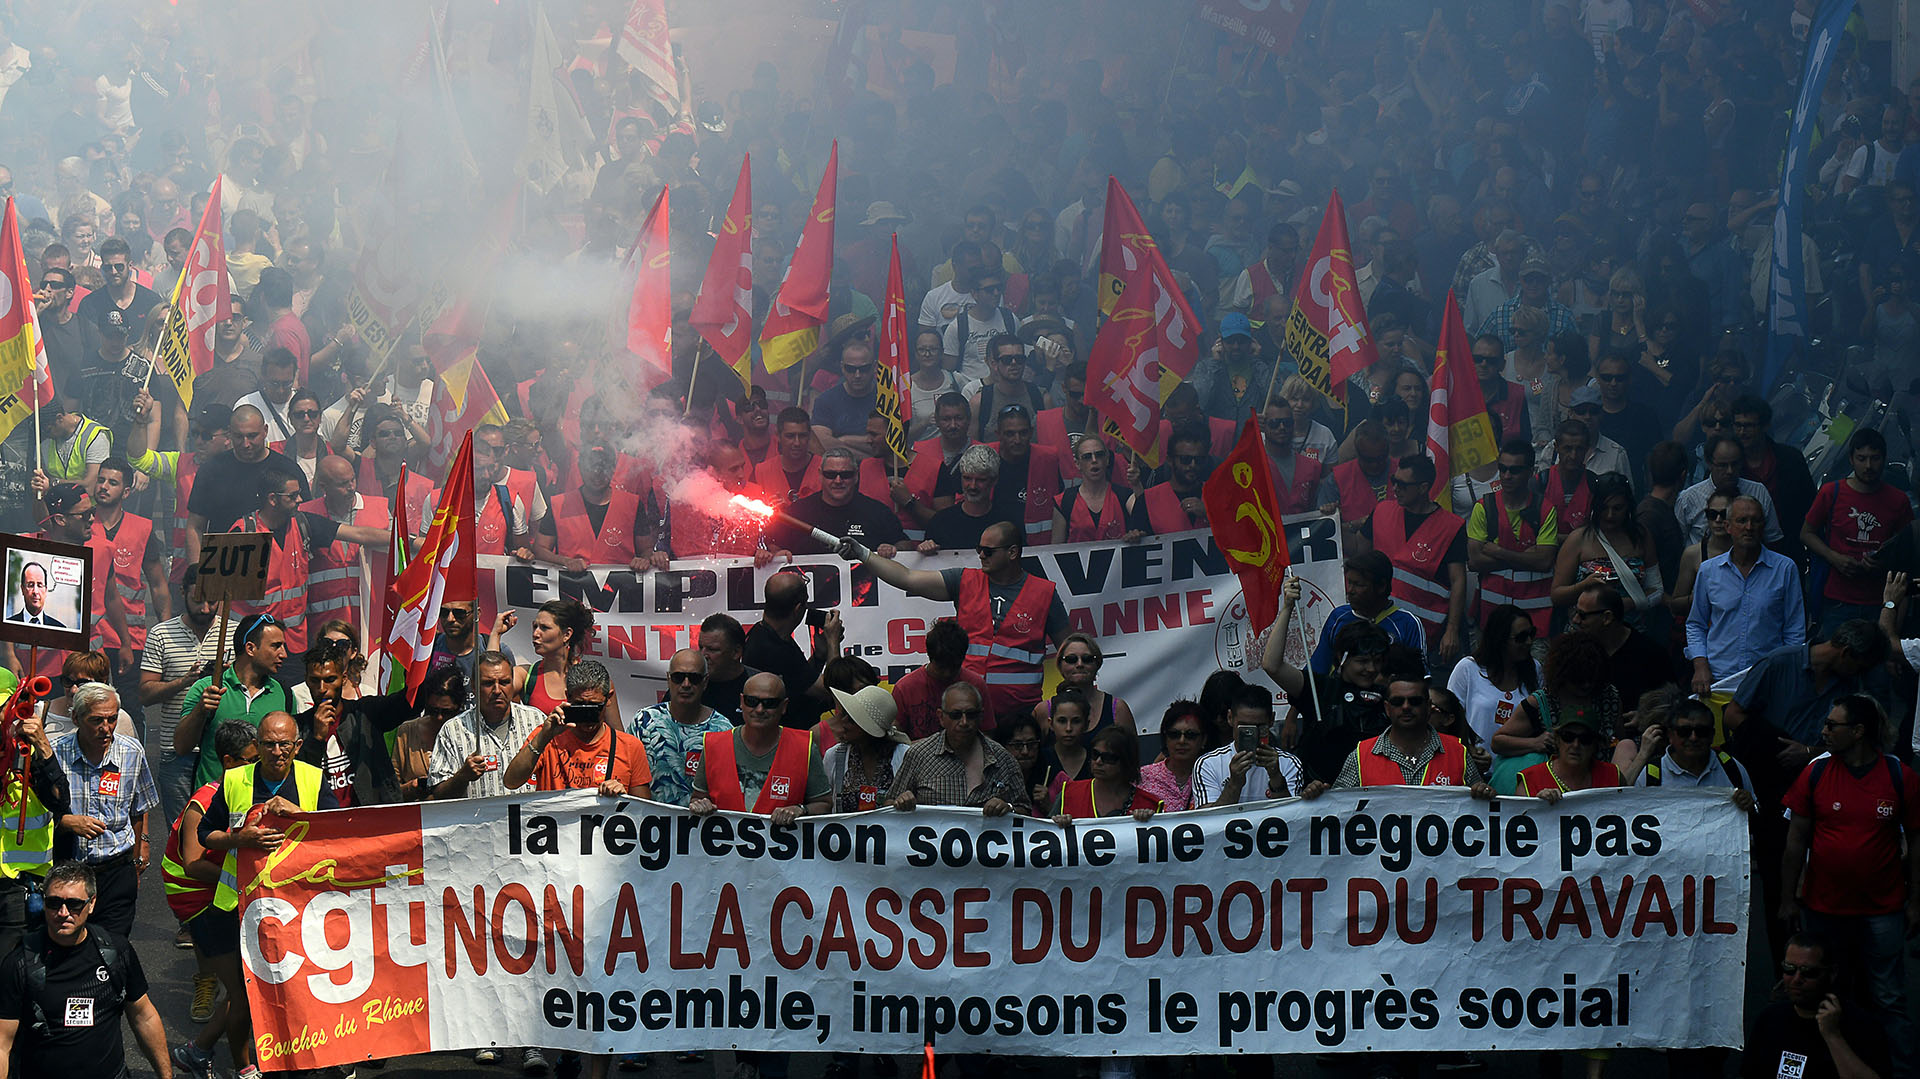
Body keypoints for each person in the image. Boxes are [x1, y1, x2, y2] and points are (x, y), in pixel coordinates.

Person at [1779, 695, 1920, 1079]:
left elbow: (1918, 842)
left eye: (1832, 725)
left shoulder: (1899, 776)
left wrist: (1916, 902)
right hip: (1823, 907)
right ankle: (1823, 1068)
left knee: (1889, 997)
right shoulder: (1817, 772)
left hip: (1883, 908)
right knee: (1819, 993)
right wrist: (1787, 899)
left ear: (1858, 732)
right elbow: (1796, 841)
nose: (1823, 731)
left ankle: (1901, 1072)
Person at [198, 711, 334, 1079]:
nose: (277, 752)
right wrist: (237, 840)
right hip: (235, 908)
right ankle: (244, 1067)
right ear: (257, 746)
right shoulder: (234, 780)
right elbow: (204, 836)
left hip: (294, 910)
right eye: (269, 744)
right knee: (242, 999)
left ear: (297, 746)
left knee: (294, 992)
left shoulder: (313, 779)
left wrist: (300, 813)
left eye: (284, 745)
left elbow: (336, 835)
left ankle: (297, 1062)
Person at [841, 519, 1069, 719]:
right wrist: (863, 554)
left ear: (1012, 553)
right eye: (979, 548)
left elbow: (1069, 651)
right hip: (966, 713)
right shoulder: (964, 581)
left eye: (988, 551)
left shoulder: (1044, 593)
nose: (981, 555)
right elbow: (906, 578)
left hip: (1020, 716)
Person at [0, 861, 173, 1079]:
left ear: (91, 904)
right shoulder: (20, 963)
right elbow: (2, 1043)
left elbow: (143, 1016)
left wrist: (166, 1076)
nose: (63, 913)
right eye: (54, 903)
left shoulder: (116, 952)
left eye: (74, 904)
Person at [164, 721, 257, 1072]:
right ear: (230, 762)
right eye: (251, 759)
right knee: (244, 991)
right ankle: (205, 1053)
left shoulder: (243, 790)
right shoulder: (203, 802)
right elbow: (192, 864)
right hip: (198, 900)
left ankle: (203, 1051)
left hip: (223, 895)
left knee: (246, 988)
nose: (258, 765)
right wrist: (241, 881)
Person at [50, 681, 156, 940]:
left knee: (113, 947)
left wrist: (139, 854)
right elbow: (38, 815)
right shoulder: (56, 754)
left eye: (112, 719)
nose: (106, 728)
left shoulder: (131, 752)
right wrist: (65, 822)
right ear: (76, 717)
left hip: (116, 872)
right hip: (69, 872)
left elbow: (139, 809)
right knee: (69, 944)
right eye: (96, 720)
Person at [1687, 495, 1806, 694]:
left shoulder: (1785, 569)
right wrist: (1700, 666)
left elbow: (1794, 630)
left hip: (1767, 679)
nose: (1749, 527)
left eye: (1755, 520)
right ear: (1728, 526)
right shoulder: (1709, 571)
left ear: (1764, 526)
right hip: (1718, 680)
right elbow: (1696, 624)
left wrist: (1786, 674)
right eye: (1742, 520)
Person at [1359, 454, 1468, 664]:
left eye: (1402, 484)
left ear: (1423, 487)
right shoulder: (1382, 511)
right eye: (1394, 481)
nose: (1395, 488)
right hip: (1377, 626)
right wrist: (1332, 521)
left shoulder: (1450, 527)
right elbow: (1358, 551)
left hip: (1424, 634)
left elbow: (1458, 581)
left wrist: (1452, 630)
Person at [1802, 429, 1911, 635]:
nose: (1868, 466)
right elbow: (1806, 533)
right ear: (1851, 459)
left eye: (1874, 458)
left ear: (1884, 459)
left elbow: (1908, 552)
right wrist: (1835, 558)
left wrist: (1884, 563)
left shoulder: (1898, 501)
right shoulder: (1831, 492)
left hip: (1880, 602)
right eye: (1862, 458)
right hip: (1837, 601)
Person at [1741, 933, 1893, 1079]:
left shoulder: (1862, 1026)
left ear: (1832, 973)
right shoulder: (1770, 1019)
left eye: (1809, 972)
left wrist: (1832, 1035)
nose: (1796, 979)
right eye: (1789, 969)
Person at [1324, 666, 1494, 794]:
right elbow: (1337, 809)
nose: (1406, 707)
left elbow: (1480, 809)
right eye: (1398, 702)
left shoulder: (1458, 753)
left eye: (1415, 701)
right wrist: (1317, 795)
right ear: (1387, 708)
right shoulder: (1362, 756)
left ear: (1428, 707)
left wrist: (1484, 793)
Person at [174, 614, 296, 788]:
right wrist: (200, 710)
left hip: (264, 804)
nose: (284, 654)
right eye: (276, 646)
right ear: (250, 648)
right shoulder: (207, 688)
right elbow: (181, 747)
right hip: (213, 804)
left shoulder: (284, 694)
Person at [504, 661, 652, 803]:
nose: (588, 716)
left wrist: (624, 797)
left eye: (594, 707)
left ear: (609, 699)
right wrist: (543, 736)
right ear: (568, 697)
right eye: (580, 706)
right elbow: (511, 782)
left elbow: (645, 812)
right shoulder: (548, 737)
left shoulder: (629, 746)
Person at [1492, 633, 1621, 796]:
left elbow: (1619, 739)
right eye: (1579, 680)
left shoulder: (1610, 697)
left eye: (1592, 679)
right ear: (1563, 675)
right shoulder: (1540, 702)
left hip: (1599, 784)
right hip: (1551, 790)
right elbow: (1498, 742)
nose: (1587, 685)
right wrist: (1535, 743)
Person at [886, 682, 1030, 815]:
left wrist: (1008, 808)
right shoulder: (919, 755)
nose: (964, 722)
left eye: (971, 715)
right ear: (941, 717)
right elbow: (888, 805)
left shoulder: (1004, 759)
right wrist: (901, 802)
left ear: (981, 716)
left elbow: (1026, 811)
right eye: (956, 715)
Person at [1467, 437, 1558, 636]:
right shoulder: (1484, 507)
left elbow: (1544, 562)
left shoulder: (1545, 509)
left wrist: (1499, 552)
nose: (1507, 476)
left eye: (1515, 470)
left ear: (1530, 472)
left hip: (1535, 620)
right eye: (1503, 468)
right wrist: (1526, 558)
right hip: (1491, 619)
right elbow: (1475, 561)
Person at [1550, 473, 1666, 625]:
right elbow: (1557, 595)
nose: (1610, 515)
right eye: (1604, 508)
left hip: (1631, 632)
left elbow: (1656, 589)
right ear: (1594, 506)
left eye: (1618, 508)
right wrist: (1584, 586)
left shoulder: (1641, 537)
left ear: (1628, 507)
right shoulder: (1578, 539)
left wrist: (1630, 603)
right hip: (1585, 635)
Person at [428, 652, 544, 802]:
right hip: (478, 824)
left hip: (530, 823)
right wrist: (462, 777)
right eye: (488, 683)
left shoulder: (537, 720)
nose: (497, 690)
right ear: (474, 687)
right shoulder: (452, 730)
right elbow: (438, 795)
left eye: (504, 682)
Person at [630, 649, 733, 808]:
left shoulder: (723, 730)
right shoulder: (644, 721)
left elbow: (729, 789)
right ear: (668, 679)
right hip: (648, 825)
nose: (686, 684)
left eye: (694, 678)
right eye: (678, 677)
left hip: (701, 826)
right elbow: (626, 773)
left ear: (705, 682)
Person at [1570, 583, 1681, 727]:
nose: (1575, 620)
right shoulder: (1575, 651)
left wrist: (1648, 716)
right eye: (1575, 612)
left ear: (1607, 618)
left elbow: (1672, 702)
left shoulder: (1650, 654)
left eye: (1583, 615)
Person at [743, 572, 844, 721]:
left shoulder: (765, 634)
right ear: (798, 609)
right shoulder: (774, 649)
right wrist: (832, 641)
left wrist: (820, 656)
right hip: (792, 735)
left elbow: (801, 679)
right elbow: (834, 689)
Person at [1309, 551, 1426, 674]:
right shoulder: (1338, 617)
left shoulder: (1408, 623)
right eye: (1349, 583)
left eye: (1359, 585)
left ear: (1381, 586)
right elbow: (1316, 671)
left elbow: (1419, 677)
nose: (1350, 591)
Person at [1193, 684, 1310, 807]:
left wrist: (1276, 776)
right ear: (1230, 718)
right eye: (1244, 727)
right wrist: (1234, 784)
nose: (1252, 734)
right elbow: (1208, 820)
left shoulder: (1289, 763)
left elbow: (1293, 816)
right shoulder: (1208, 764)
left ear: (1271, 720)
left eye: (1259, 727)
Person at [780, 448, 908, 556]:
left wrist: (894, 549)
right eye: (830, 474)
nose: (838, 481)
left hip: (865, 584)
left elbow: (905, 544)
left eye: (845, 474)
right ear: (820, 474)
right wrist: (777, 554)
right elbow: (775, 544)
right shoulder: (798, 511)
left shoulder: (878, 512)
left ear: (856, 475)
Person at [1446, 604, 1541, 747]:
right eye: (1521, 637)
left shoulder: (1535, 670)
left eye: (1531, 634)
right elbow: (1449, 719)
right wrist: (1469, 751)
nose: (1529, 642)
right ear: (1500, 639)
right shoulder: (1467, 668)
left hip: (1519, 764)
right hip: (1474, 763)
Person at [891, 619, 995, 739]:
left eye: (954, 667)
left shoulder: (976, 685)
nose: (947, 673)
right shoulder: (905, 688)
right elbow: (896, 740)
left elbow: (987, 735)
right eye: (941, 667)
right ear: (930, 657)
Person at [515, 598, 615, 723]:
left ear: (567, 634)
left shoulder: (597, 680)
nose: (535, 633)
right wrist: (496, 635)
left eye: (544, 628)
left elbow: (618, 735)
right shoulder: (525, 675)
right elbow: (488, 686)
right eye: (535, 626)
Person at [1676, 435, 1784, 544]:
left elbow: (1773, 538)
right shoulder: (1688, 498)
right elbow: (1678, 543)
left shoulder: (1758, 492)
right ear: (1709, 463)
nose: (1730, 471)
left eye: (1734, 464)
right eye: (1722, 465)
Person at [1513, 693, 1622, 799]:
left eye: (1585, 739)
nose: (1575, 745)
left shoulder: (1613, 776)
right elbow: (1518, 815)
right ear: (1557, 739)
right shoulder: (1531, 780)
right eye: (1568, 737)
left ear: (1595, 744)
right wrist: (1538, 806)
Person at [823, 684, 911, 812]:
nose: (843, 722)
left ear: (868, 729)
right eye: (844, 714)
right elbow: (827, 804)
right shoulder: (834, 756)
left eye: (852, 720)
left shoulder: (904, 756)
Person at [1051, 726, 1160, 823]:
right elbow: (1046, 832)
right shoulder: (1068, 793)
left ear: (1126, 761)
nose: (1098, 761)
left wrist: (1148, 823)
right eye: (1095, 754)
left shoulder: (1148, 804)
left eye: (1108, 757)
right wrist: (1058, 825)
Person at [1034, 633, 1136, 734]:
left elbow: (1132, 749)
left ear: (1097, 663)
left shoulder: (1118, 709)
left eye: (1087, 659)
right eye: (1071, 659)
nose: (1079, 664)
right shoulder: (1043, 711)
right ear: (1060, 665)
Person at [1052, 435, 1143, 543]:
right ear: (1077, 464)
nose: (1094, 460)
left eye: (1099, 455)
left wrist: (1137, 485)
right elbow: (1056, 550)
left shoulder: (1124, 496)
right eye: (1087, 457)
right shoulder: (1064, 501)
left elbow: (1144, 520)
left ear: (1107, 460)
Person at [923, 445, 1006, 551]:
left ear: (994, 480)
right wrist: (926, 549)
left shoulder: (1007, 522)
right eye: (967, 478)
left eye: (981, 480)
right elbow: (928, 565)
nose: (972, 486)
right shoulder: (941, 522)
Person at [1140, 424, 1212, 535]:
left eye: (1199, 460)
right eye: (1185, 459)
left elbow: (1236, 536)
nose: (1192, 465)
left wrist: (1209, 515)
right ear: (1169, 460)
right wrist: (1134, 537)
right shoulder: (1147, 500)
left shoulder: (1217, 496)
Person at [1138, 701, 1209, 811]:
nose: (1182, 741)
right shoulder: (1143, 777)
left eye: (1190, 735)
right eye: (1174, 734)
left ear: (1203, 740)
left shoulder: (1214, 776)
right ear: (1165, 738)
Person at [698, 613, 757, 724]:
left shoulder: (760, 687)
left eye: (712, 649)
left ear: (736, 652)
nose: (703, 655)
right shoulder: (690, 683)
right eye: (701, 647)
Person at [5, 561, 58, 626]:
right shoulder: (7, 625)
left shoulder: (60, 628)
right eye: (30, 585)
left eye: (39, 585)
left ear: (46, 590)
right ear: (22, 589)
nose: (35, 591)